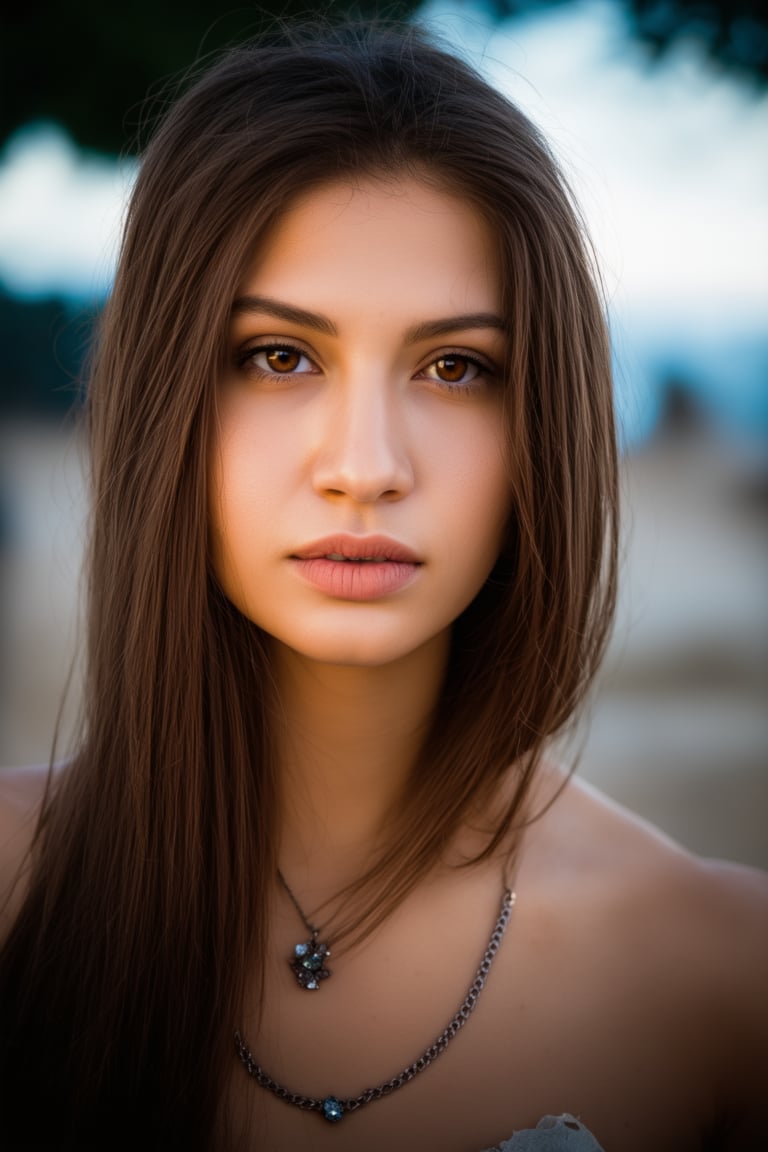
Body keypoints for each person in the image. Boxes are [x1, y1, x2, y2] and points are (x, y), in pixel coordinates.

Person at [0, 20, 765, 1152]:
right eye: (280, 356)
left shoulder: (717, 978)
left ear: (540, 429)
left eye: (456, 368)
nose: (365, 466)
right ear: (169, 398)